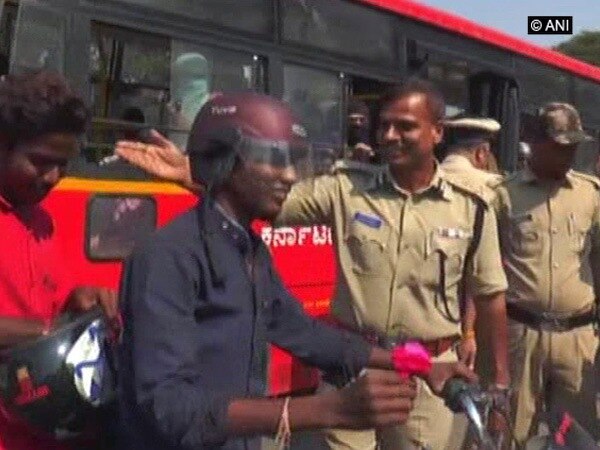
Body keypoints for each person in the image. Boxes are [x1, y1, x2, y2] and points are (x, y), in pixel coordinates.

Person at [114, 80, 508, 450]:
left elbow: (305, 334)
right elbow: (168, 408)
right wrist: (326, 409)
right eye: (272, 160)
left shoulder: (248, 250)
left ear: (437, 132)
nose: (289, 176)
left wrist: (421, 367)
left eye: (292, 161)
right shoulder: (169, 256)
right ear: (228, 163)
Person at [0, 71, 119, 449]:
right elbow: (44, 326)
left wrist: (79, 299)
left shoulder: (42, 220)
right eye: (40, 162)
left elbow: (58, 296)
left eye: (63, 165)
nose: (53, 178)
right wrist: (46, 332)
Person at [493, 102, 600, 446]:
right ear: (535, 142)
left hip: (578, 337)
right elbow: (482, 270)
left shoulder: (591, 196)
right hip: (523, 335)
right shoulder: (503, 195)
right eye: (559, 146)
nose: (568, 155)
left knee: (580, 436)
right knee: (514, 432)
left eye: (573, 147)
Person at [346, 97, 375, 163]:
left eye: (362, 119)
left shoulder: (374, 138)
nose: (358, 123)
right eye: (352, 120)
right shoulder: (338, 138)